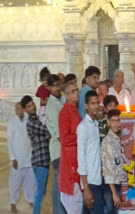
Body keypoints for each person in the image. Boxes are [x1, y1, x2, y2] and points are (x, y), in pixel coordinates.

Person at [21, 95, 50, 214]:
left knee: (42, 192)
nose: (32, 107)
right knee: (39, 192)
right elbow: (47, 130)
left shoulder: (37, 118)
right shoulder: (31, 123)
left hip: (45, 159)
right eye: (29, 106)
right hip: (40, 161)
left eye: (32, 104)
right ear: (25, 110)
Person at [77, 91, 104, 214]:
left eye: (97, 102)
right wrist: (86, 188)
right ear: (86, 106)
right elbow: (81, 159)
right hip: (91, 182)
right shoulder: (83, 128)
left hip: (97, 179)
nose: (96, 106)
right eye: (92, 103)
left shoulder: (95, 124)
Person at [59, 83, 83, 214]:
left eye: (77, 90)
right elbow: (65, 139)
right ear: (67, 95)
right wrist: (81, 137)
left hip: (76, 159)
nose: (77, 93)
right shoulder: (65, 112)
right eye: (73, 91)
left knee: (74, 200)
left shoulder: (74, 110)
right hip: (70, 162)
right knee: (75, 198)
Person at [7, 102, 35, 213]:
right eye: (16, 108)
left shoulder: (30, 120)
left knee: (30, 181)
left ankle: (30, 199)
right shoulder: (12, 122)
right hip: (17, 159)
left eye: (20, 108)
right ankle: (13, 203)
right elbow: (9, 141)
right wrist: (12, 158)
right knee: (14, 182)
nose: (18, 110)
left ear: (24, 109)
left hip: (29, 157)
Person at [45, 74, 66, 214]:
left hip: (62, 149)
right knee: (59, 185)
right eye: (55, 86)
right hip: (58, 150)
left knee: (61, 185)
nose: (58, 88)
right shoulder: (52, 105)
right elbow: (59, 134)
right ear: (50, 88)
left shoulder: (59, 101)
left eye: (59, 85)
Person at [101, 109, 124, 214]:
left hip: (118, 182)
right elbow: (107, 170)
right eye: (113, 121)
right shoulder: (107, 142)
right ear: (108, 122)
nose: (116, 123)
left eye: (118, 120)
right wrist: (114, 193)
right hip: (111, 186)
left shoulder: (119, 138)